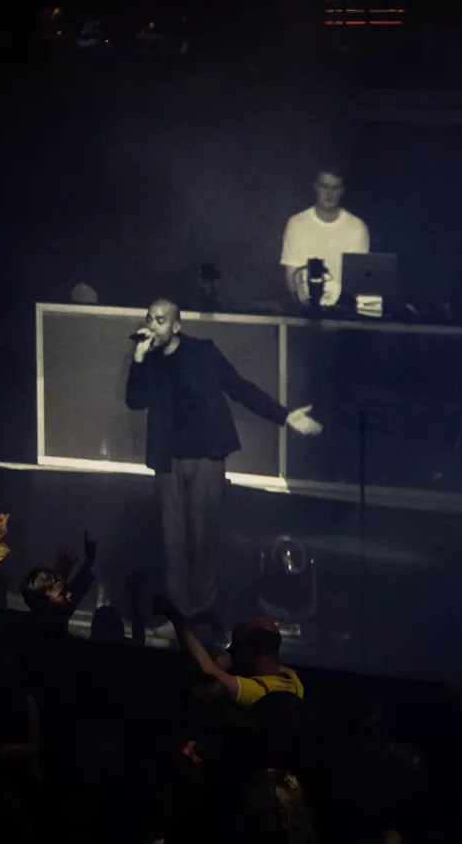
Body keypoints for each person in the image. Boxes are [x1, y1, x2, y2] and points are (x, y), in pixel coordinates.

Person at [126, 299, 323, 618]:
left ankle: (202, 614)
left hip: (206, 458)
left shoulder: (202, 352)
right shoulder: (148, 360)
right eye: (149, 319)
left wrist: (284, 416)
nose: (152, 325)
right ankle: (179, 615)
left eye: (160, 320)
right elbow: (135, 401)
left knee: (204, 542)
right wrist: (138, 359)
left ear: (177, 326)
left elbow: (240, 388)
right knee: (172, 544)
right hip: (167, 463)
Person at [153, 595, 304, 709]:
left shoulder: (257, 692)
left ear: (261, 649)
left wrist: (176, 618)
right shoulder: (293, 681)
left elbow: (209, 671)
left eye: (237, 646)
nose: (231, 652)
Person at [280, 169, 370, 307]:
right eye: (324, 186)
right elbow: (292, 277)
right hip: (304, 310)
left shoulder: (357, 227)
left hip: (343, 311)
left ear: (343, 191)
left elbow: (357, 280)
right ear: (315, 187)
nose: (329, 194)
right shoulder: (297, 223)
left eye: (335, 188)